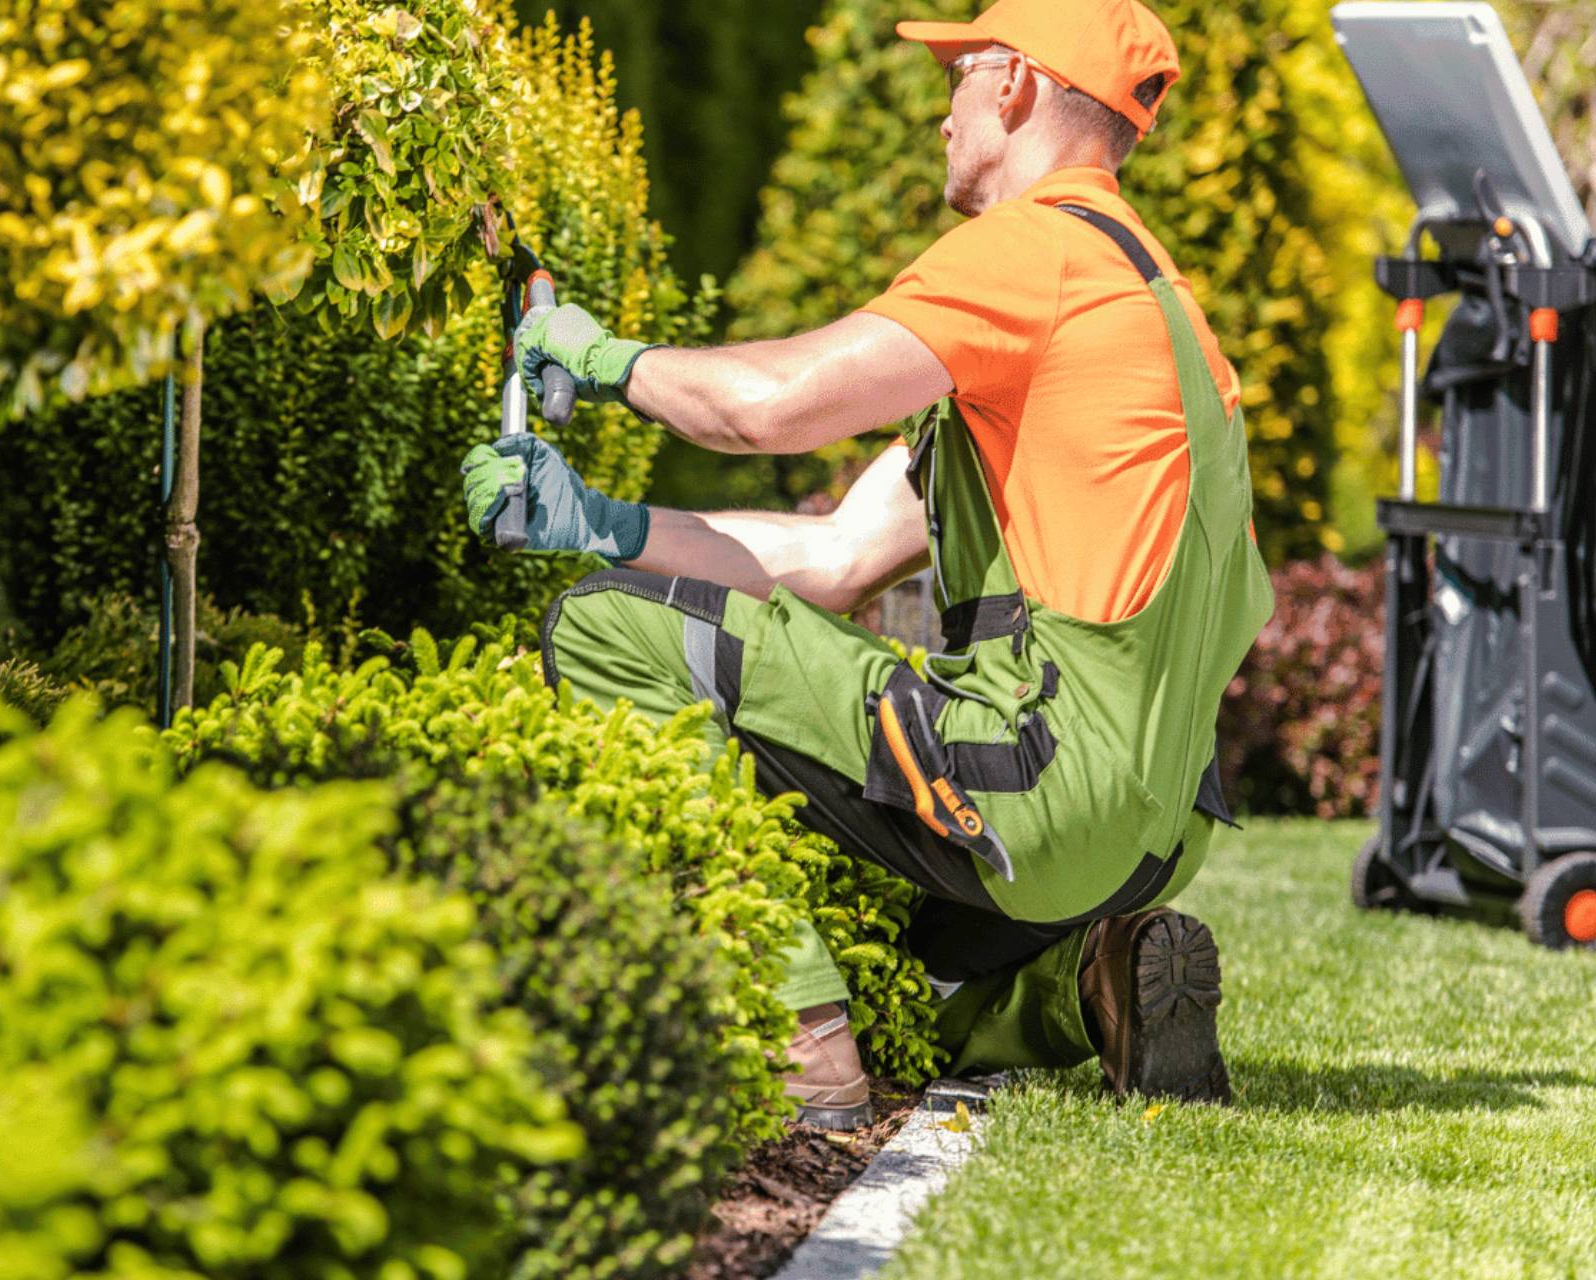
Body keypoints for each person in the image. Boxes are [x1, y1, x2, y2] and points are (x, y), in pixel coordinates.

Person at [461, 0, 1273, 1127]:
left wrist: (602, 357)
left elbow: (766, 410)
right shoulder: (1156, 311)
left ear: (1016, 85)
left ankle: (799, 1052)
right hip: (1148, 830)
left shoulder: (1032, 253)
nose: (941, 114)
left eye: (955, 77)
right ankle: (1086, 986)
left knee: (600, 628)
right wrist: (597, 520)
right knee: (892, 966)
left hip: (1038, 783)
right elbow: (837, 556)